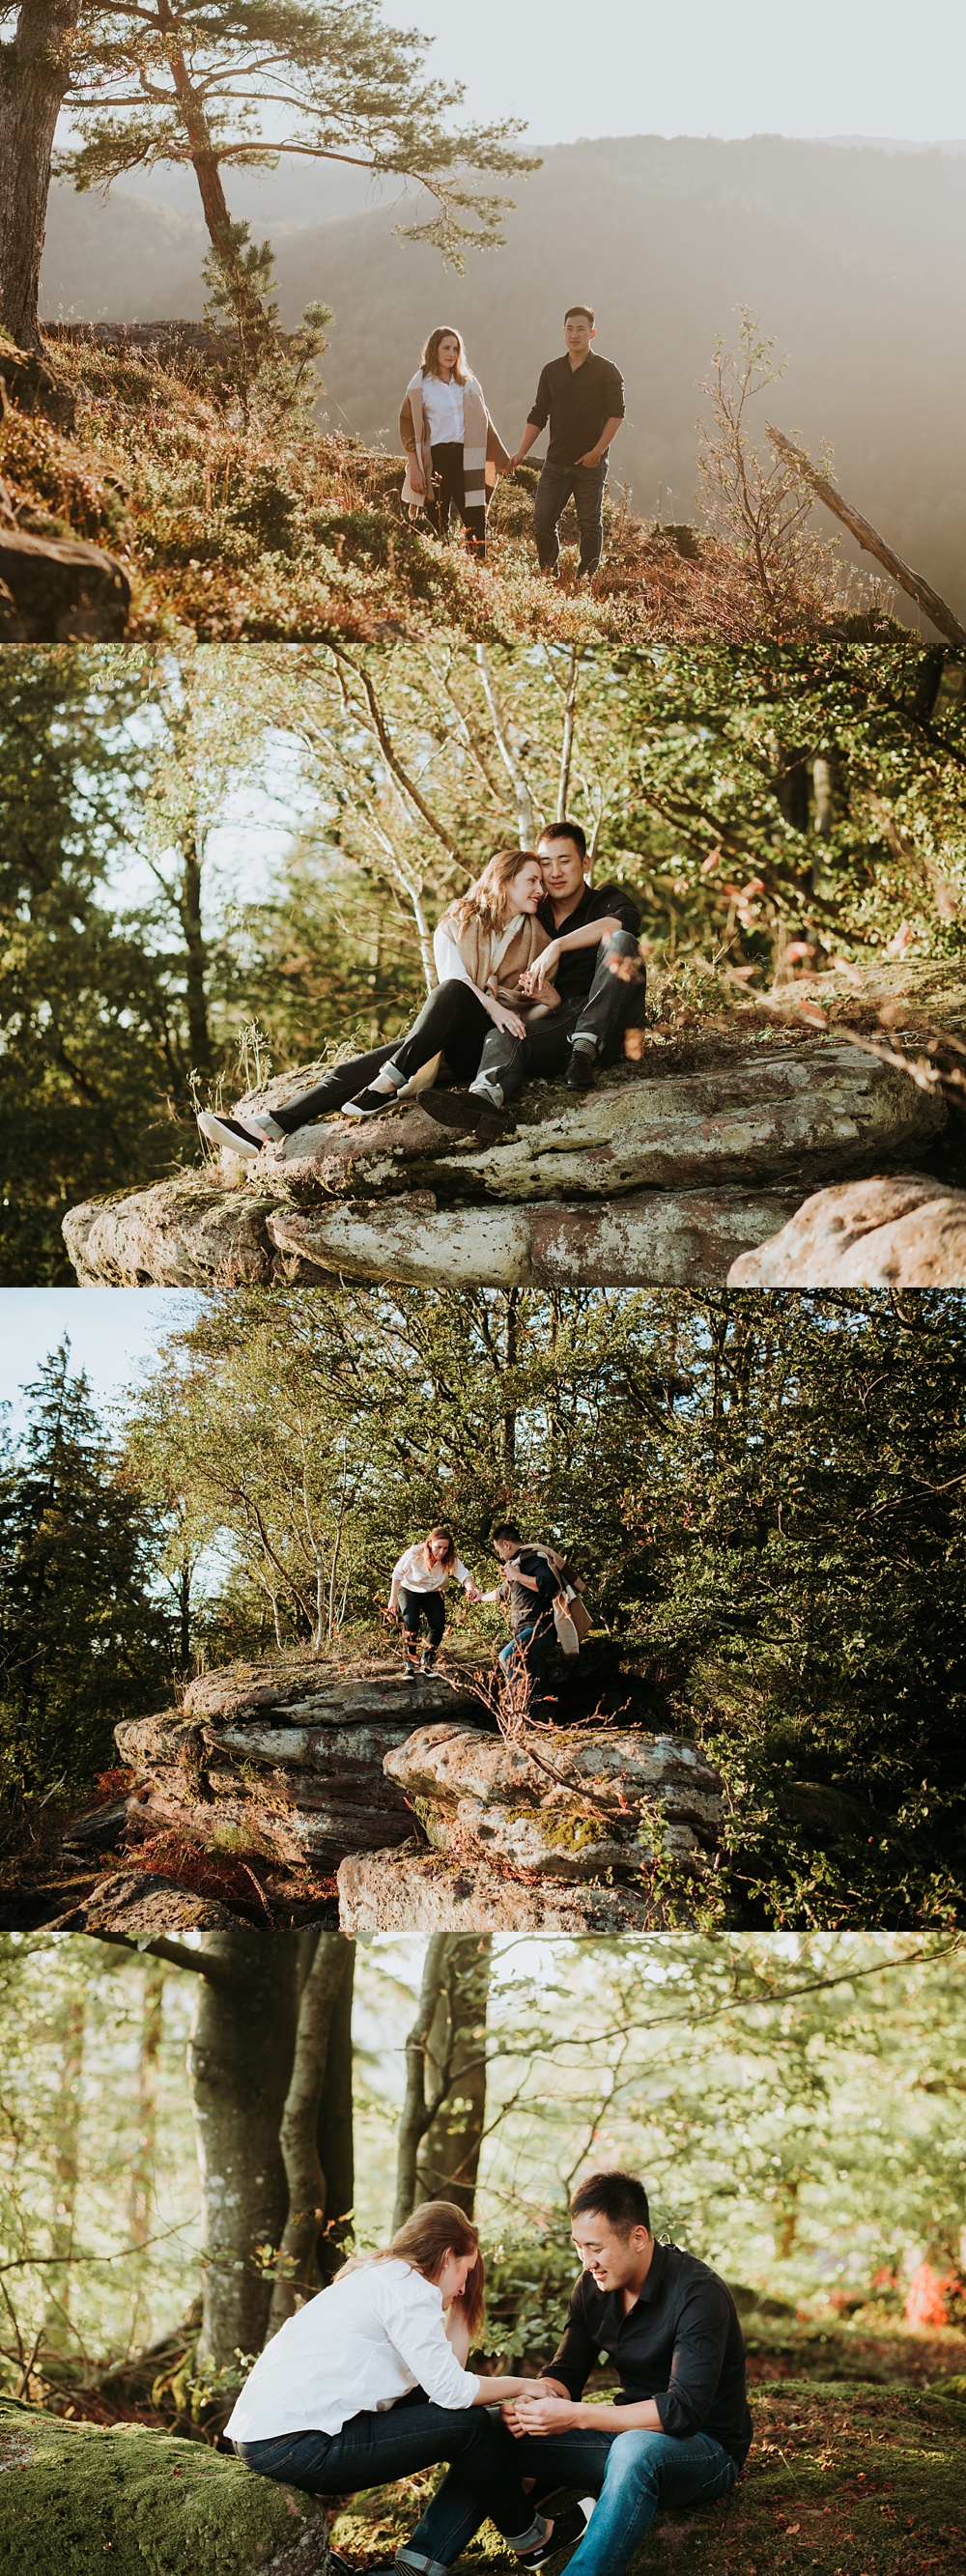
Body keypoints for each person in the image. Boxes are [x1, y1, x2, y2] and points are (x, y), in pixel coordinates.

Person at [407, 2170, 753, 2576]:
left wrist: (576, 2415)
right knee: (486, 2429)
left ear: (637, 2238)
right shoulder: (593, 2285)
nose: (586, 2261)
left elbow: (683, 2412)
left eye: (595, 2247)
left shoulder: (698, 2293)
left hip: (704, 2451)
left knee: (635, 2450)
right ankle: (418, 2563)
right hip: (622, 2439)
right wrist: (535, 2402)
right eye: (578, 2247)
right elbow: (566, 2374)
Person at [225, 2200, 585, 2576]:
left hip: (273, 2437)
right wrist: (527, 2384)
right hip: (296, 2444)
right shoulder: (407, 2290)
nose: (464, 2284)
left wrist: (462, 2306)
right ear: (447, 2256)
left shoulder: (386, 2275)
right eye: (465, 2271)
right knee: (473, 2427)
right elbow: (454, 2393)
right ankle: (532, 2538)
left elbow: (446, 2382)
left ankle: (420, 2565)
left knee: (478, 2426)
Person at [197, 847, 554, 1155]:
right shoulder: (456, 922)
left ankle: (387, 1082)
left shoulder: (538, 938)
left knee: (441, 1007)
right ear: (504, 882)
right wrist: (492, 1004)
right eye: (532, 880)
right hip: (448, 1035)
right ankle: (264, 1127)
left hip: (487, 1045)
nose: (541, 889)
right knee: (354, 1069)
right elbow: (454, 982)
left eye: (541, 882)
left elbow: (527, 1015)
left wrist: (547, 1002)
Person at [469, 819, 645, 1109]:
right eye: (546, 863)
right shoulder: (533, 911)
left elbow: (626, 920)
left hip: (612, 1026)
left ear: (585, 863)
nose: (555, 873)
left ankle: (586, 1046)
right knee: (504, 1033)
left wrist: (558, 945)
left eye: (564, 861)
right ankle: (482, 1100)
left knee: (621, 940)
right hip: (560, 1023)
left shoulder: (605, 901)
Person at [508, 307, 625, 582]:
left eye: (581, 329)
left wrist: (597, 453)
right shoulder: (551, 371)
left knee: (589, 523)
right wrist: (522, 451)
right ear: (563, 332)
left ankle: (584, 580)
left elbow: (617, 415)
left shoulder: (607, 371)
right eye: (570, 329)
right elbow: (539, 413)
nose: (575, 335)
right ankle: (550, 575)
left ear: (592, 333)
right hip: (555, 462)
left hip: (590, 463)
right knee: (543, 520)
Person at [400, 326, 510, 560]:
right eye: (446, 348)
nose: (451, 353)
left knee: (476, 522)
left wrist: (502, 459)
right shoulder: (420, 385)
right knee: (437, 522)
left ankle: (477, 573)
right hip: (436, 460)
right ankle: (439, 570)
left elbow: (485, 421)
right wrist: (415, 469)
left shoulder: (468, 383)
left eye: (455, 348)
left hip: (467, 458)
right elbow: (407, 424)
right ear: (434, 350)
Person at [483, 1521, 577, 1693]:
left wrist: (517, 1576)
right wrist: (480, 1597)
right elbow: (502, 1593)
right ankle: (524, 1719)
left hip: (538, 1629)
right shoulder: (517, 1565)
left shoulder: (534, 1559)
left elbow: (547, 1584)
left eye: (499, 1551)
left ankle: (520, 1716)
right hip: (523, 1631)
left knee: (507, 1656)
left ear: (506, 1544)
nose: (501, 1556)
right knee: (529, 1687)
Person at [387, 1525, 479, 1679]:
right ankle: (409, 1664)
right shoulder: (415, 1553)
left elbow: (464, 1575)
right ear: (430, 1543)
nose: (441, 1552)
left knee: (438, 1624)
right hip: (409, 1589)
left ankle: (427, 1661)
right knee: (412, 1624)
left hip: (433, 1592)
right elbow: (397, 1573)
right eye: (438, 1547)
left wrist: (471, 1588)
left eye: (445, 1548)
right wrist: (393, 1599)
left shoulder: (450, 1558)